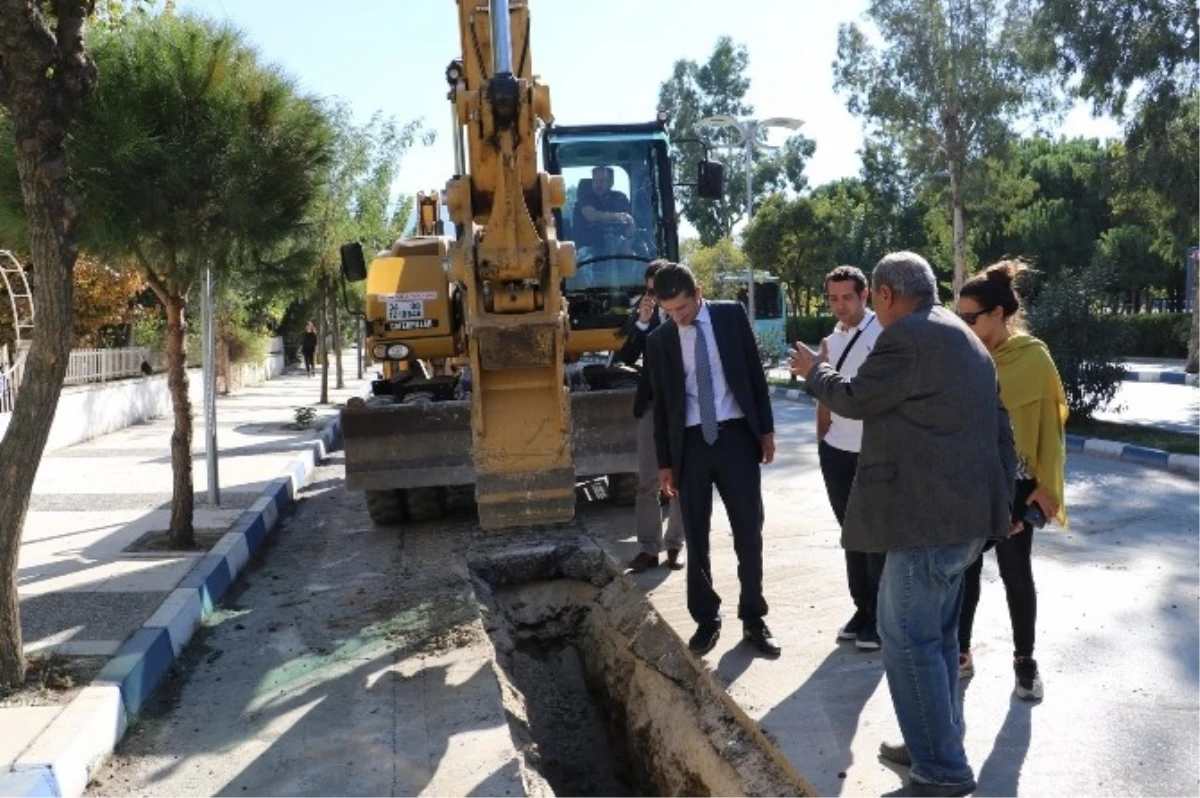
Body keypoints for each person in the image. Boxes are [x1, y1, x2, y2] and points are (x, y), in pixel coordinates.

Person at [790, 251, 1016, 798]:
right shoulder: (959, 335)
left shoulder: (908, 336)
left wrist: (812, 369)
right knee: (935, 640)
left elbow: (856, 398)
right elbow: (999, 427)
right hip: (962, 521)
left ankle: (941, 769)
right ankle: (931, 744)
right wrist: (1000, 506)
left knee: (907, 641)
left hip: (926, 523)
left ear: (885, 295)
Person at [645, 262, 779, 658]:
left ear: (697, 293)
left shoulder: (730, 316)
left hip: (736, 436)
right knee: (696, 537)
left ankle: (754, 617)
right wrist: (665, 463)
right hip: (691, 444)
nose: (677, 318)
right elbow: (663, 409)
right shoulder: (660, 340)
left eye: (683, 309)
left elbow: (755, 375)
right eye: (669, 312)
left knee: (748, 531)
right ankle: (706, 619)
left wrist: (765, 430)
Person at [955, 260, 1068, 702]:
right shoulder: (965, 356)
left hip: (1017, 486)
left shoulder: (1033, 357)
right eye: (960, 316)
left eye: (970, 317)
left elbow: (1051, 431)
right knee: (964, 573)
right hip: (971, 484)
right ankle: (960, 653)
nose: (963, 324)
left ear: (998, 314)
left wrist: (1042, 494)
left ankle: (1025, 662)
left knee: (1016, 574)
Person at [815, 266, 885, 651]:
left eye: (847, 298)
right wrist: (822, 441)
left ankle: (880, 615)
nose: (839, 305)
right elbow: (824, 393)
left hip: (872, 452)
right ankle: (862, 608)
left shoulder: (882, 335)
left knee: (874, 535)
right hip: (836, 451)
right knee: (850, 534)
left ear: (865, 296)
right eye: (833, 298)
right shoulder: (831, 339)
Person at [615, 260, 685, 573]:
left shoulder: (685, 312)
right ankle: (648, 549)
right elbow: (626, 356)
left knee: (682, 481)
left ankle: (675, 546)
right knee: (647, 482)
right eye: (651, 289)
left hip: (684, 408)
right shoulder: (643, 313)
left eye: (660, 287)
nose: (656, 294)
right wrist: (642, 323)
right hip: (652, 408)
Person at [572, 166, 635, 251]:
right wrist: (616, 216)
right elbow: (591, 216)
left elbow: (629, 221)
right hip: (588, 248)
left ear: (611, 183)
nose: (598, 185)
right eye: (595, 181)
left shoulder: (620, 198)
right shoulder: (586, 197)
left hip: (617, 247)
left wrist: (628, 243)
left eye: (602, 181)